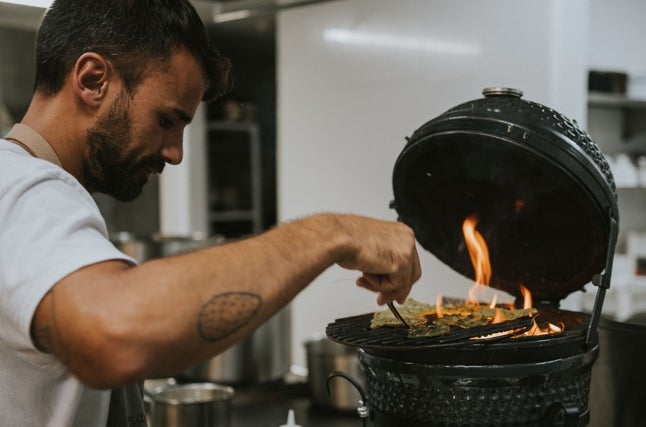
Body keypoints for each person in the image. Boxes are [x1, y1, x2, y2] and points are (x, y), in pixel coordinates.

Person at [0, 1, 421, 426]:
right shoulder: (20, 187)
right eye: (167, 120)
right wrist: (332, 232)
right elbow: (115, 335)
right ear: (93, 80)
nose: (176, 153)